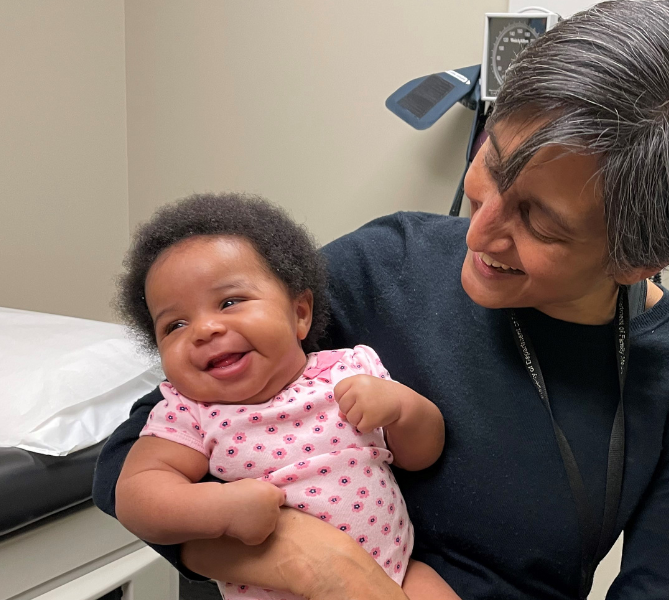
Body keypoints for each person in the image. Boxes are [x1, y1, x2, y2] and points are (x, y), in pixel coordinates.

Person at [92, 1, 669, 598]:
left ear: (637, 259)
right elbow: (128, 461)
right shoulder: (381, 266)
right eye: (494, 159)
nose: (480, 227)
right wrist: (307, 563)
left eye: (539, 221)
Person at [109, 195, 457, 600]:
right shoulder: (190, 413)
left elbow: (423, 454)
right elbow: (136, 495)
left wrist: (401, 409)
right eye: (175, 325)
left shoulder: (348, 369)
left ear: (300, 313)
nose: (203, 330)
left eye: (229, 302)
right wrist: (221, 508)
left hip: (399, 569)